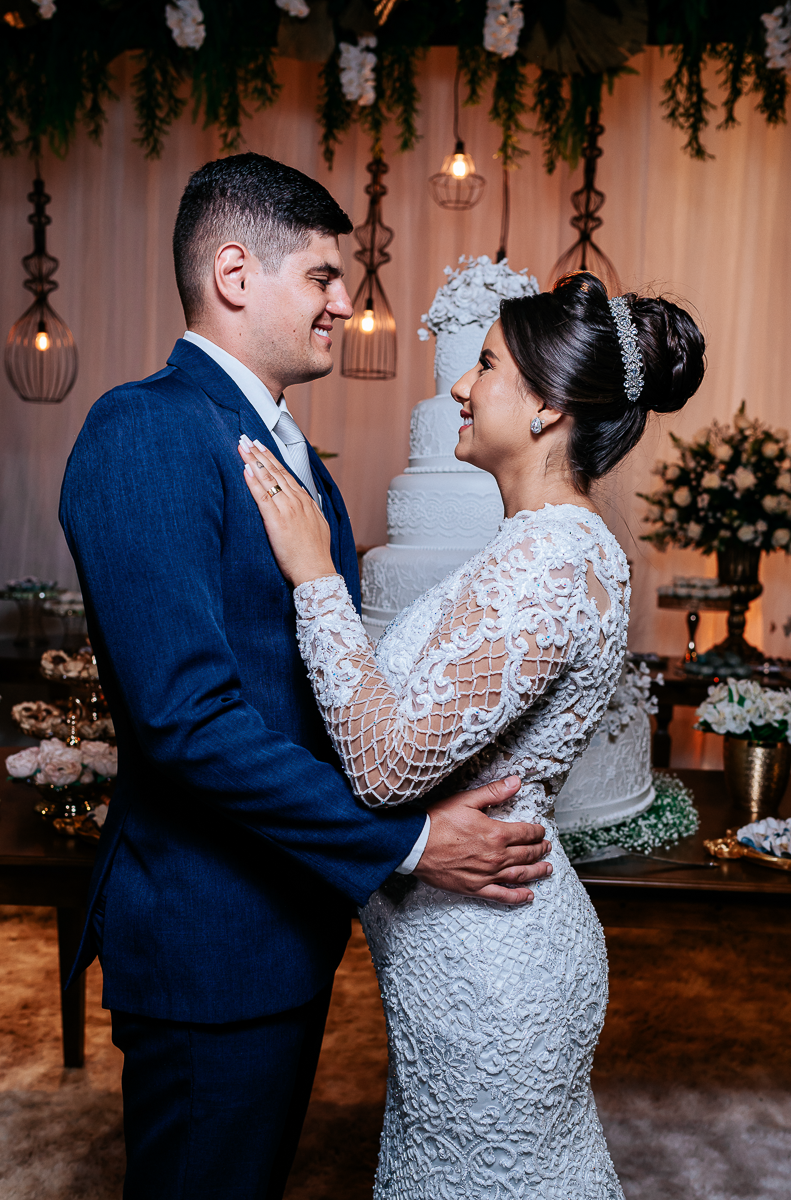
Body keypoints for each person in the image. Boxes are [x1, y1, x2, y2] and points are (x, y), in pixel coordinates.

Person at [59, 153, 552, 1200]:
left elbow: (316, 691)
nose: (346, 302)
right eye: (324, 276)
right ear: (236, 274)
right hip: (209, 939)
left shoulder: (293, 456)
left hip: (283, 925)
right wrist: (413, 843)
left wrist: (427, 787)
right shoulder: (146, 429)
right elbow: (187, 721)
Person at [237, 271, 706, 1198]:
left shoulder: (549, 558)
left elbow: (383, 764)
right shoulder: (548, 545)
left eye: (485, 365)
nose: (460, 384)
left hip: (490, 971)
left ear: (547, 407)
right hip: (476, 948)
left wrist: (314, 578)